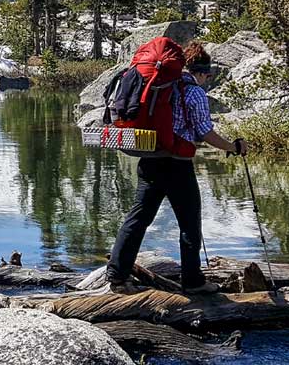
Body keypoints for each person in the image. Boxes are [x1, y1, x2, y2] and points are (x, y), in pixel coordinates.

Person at [107, 41, 250, 295]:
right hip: (177, 165)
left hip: (150, 158)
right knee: (189, 222)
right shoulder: (194, 92)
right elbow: (205, 132)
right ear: (202, 71)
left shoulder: (166, 85)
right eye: (208, 75)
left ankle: (117, 277)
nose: (207, 79)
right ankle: (193, 281)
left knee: (138, 219)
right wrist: (233, 147)